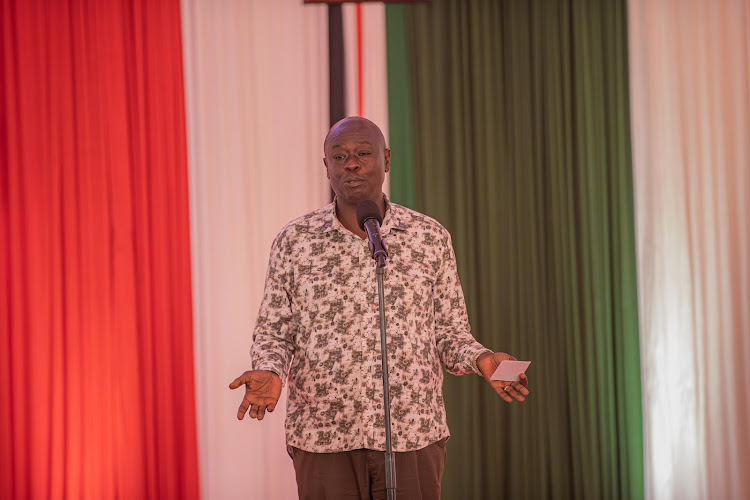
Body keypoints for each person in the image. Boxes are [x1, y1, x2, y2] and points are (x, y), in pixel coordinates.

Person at [229, 117, 529, 499]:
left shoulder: (428, 237)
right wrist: (270, 370)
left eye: (363, 154)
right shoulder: (295, 241)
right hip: (323, 435)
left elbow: (449, 332)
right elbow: (275, 330)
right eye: (339, 156)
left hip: (412, 433)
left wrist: (483, 359)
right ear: (326, 168)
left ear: (386, 160)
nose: (351, 164)